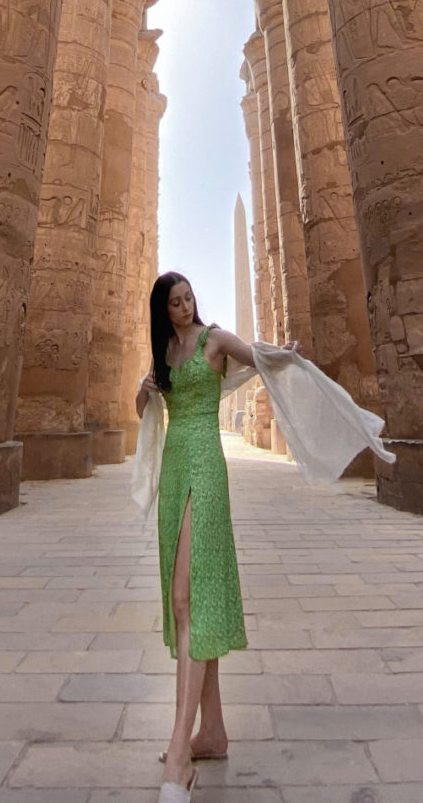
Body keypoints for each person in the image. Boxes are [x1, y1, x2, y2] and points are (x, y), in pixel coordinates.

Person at [136, 271, 300, 802]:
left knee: (188, 598)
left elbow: (259, 359)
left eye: (189, 299)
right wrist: (143, 392)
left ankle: (180, 753)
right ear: (164, 309)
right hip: (174, 469)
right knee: (185, 603)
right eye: (176, 302)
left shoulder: (214, 340)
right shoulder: (165, 352)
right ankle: (213, 732)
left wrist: (290, 356)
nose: (185, 306)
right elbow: (146, 413)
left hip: (205, 466)